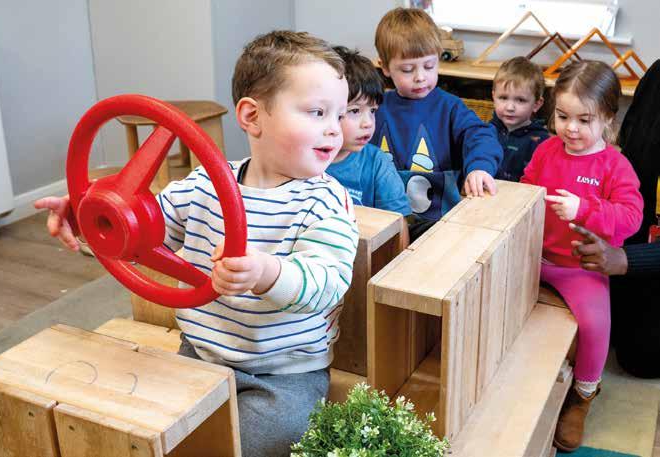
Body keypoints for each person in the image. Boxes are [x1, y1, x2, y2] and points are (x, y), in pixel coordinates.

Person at [34, 31, 358, 457]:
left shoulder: (326, 200)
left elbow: (328, 282)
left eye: (340, 114)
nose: (335, 129)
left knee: (261, 441)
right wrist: (88, 215)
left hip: (285, 374)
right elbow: (142, 232)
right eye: (317, 112)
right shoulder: (204, 183)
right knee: (152, 430)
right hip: (199, 353)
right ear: (252, 116)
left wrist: (267, 272)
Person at [520, 60, 644, 452]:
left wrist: (585, 209)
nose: (571, 128)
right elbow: (526, 187)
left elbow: (631, 218)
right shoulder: (546, 150)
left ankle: (582, 395)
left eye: (584, 120)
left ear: (607, 118)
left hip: (580, 268)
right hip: (534, 258)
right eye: (562, 117)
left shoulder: (615, 165)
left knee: (595, 324)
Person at [370, 7, 503, 240]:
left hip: (440, 225)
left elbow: (480, 135)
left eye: (429, 66)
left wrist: (479, 167)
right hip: (384, 226)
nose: (420, 77)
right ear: (385, 68)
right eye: (407, 69)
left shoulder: (450, 107)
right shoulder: (375, 109)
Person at [571, 59, 660, 379]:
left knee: (640, 360)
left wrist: (625, 259)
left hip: (644, 256)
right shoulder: (657, 75)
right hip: (634, 235)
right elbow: (625, 150)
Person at [326, 45, 411, 217]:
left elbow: (398, 221)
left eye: (372, 111)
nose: (368, 123)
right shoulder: (304, 161)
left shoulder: (377, 163)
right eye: (355, 111)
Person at [490, 56, 550, 182]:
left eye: (520, 100)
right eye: (503, 98)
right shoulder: (485, 131)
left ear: (536, 104)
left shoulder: (542, 142)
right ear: (493, 97)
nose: (510, 107)